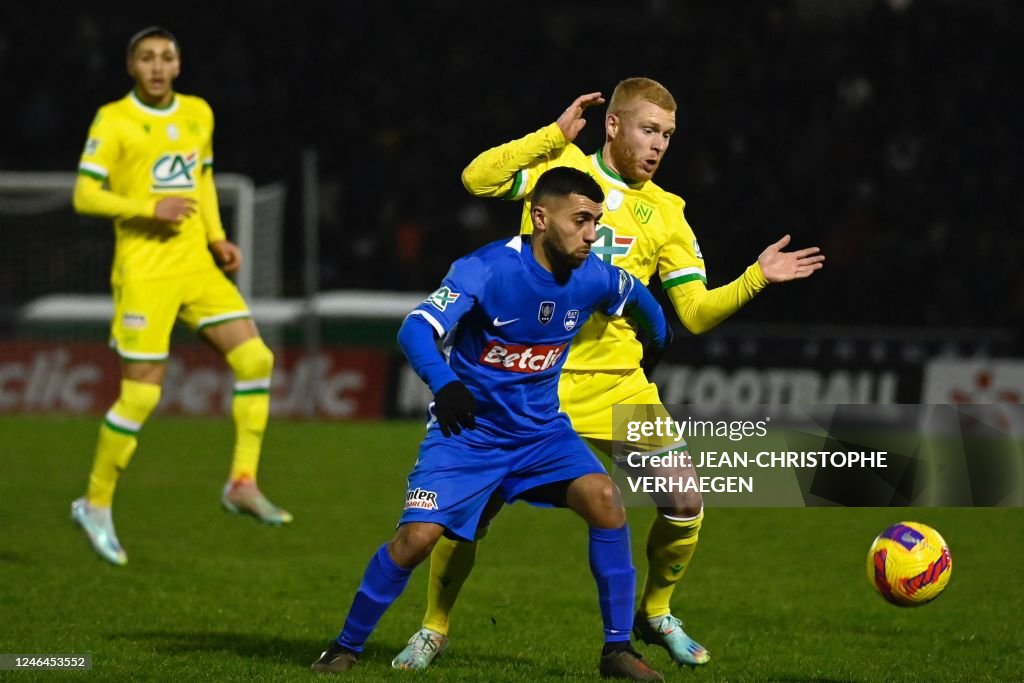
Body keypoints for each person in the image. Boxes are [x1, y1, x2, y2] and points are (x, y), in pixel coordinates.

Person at [394, 78, 825, 669]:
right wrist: (549, 135)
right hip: (531, 387)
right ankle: (433, 627)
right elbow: (477, 179)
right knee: (472, 515)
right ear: (614, 126)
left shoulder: (667, 213)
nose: (658, 146)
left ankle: (655, 612)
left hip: (619, 383)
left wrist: (755, 277)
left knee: (684, 495)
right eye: (649, 130)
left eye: (668, 136)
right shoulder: (560, 169)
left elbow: (694, 314)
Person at [311, 167, 669, 681]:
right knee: (416, 540)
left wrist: (656, 348)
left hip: (542, 435)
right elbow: (416, 328)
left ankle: (616, 651)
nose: (592, 234)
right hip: (470, 437)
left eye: (596, 221)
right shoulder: (486, 269)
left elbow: (642, 302)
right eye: (581, 220)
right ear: (541, 218)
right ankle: (344, 646)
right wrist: (447, 384)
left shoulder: (594, 274)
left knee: (606, 500)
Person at [69, 26, 291, 567]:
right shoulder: (113, 119)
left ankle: (241, 481)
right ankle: (94, 503)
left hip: (196, 265)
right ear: (131, 67)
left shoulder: (198, 112)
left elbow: (203, 179)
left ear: (178, 64)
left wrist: (216, 236)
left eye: (166, 57)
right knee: (141, 395)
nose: (157, 66)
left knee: (256, 358)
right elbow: (84, 193)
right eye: (146, 58)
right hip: (145, 272)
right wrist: (148, 209)